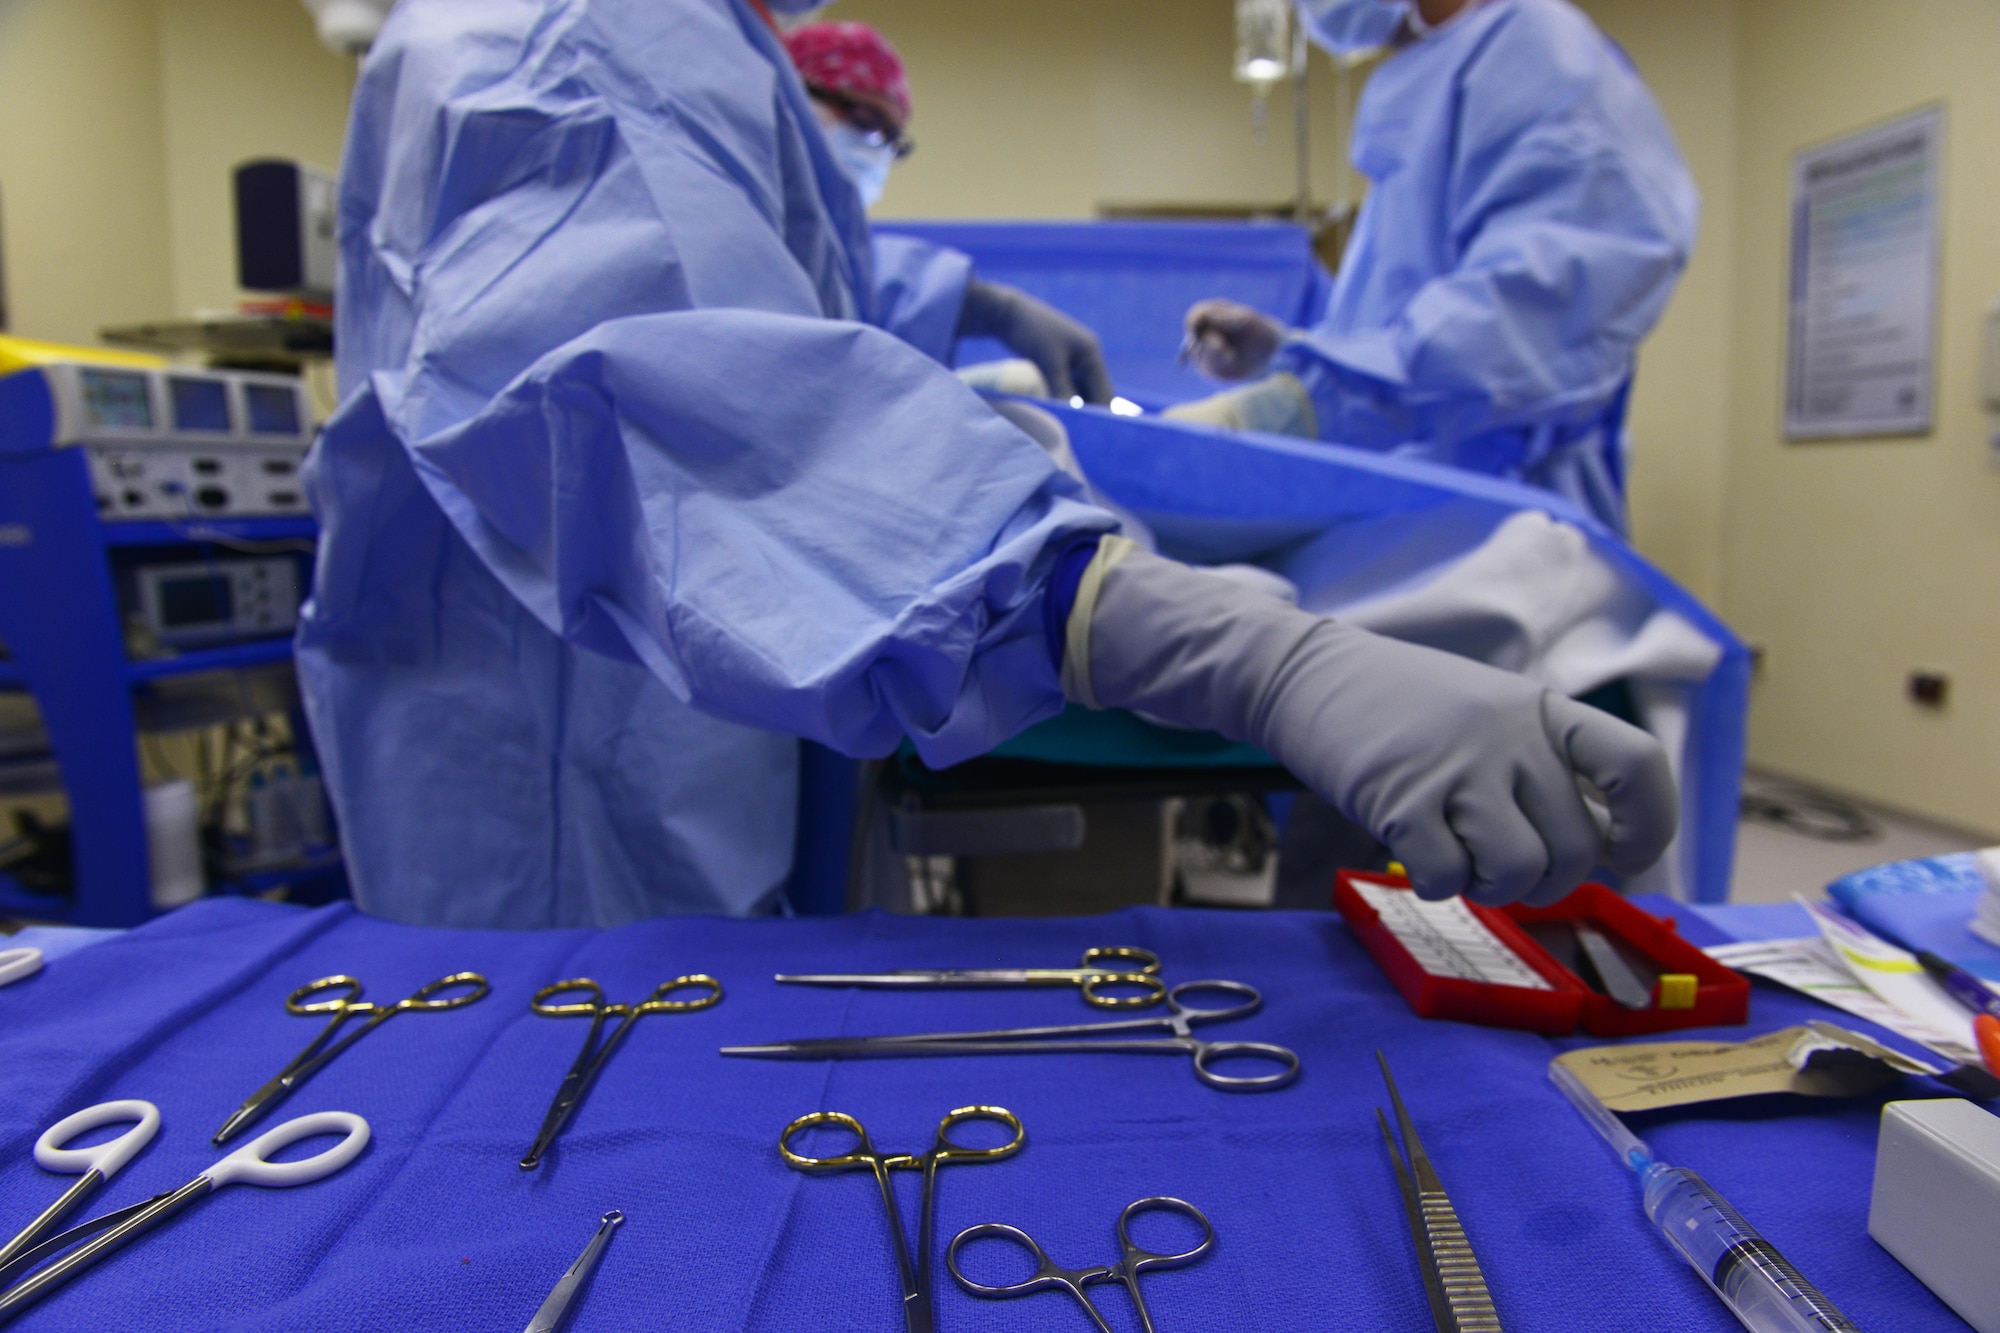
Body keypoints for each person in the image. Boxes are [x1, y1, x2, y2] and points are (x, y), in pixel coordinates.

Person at [299, 0, 1677, 929]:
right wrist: (1178, 628)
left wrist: (961, 297)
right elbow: (669, 388)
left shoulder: (674, 34)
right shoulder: (562, 40)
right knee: (583, 1121)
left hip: (652, 721)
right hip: (564, 771)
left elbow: (758, 269)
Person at [1172, 0, 1697, 532]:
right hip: (1406, 522)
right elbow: (1399, 323)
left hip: (1504, 536)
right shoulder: (1429, 75)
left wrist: (1310, 403)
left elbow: (1519, 328)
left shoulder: (1534, 55)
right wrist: (1286, 357)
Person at [785, 18, 1113, 405]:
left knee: (1020, 392)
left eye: (892, 143)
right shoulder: (741, 209)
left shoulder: (826, 242)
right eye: (867, 123)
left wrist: (990, 308)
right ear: (791, 96)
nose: (877, 154)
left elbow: (855, 291)